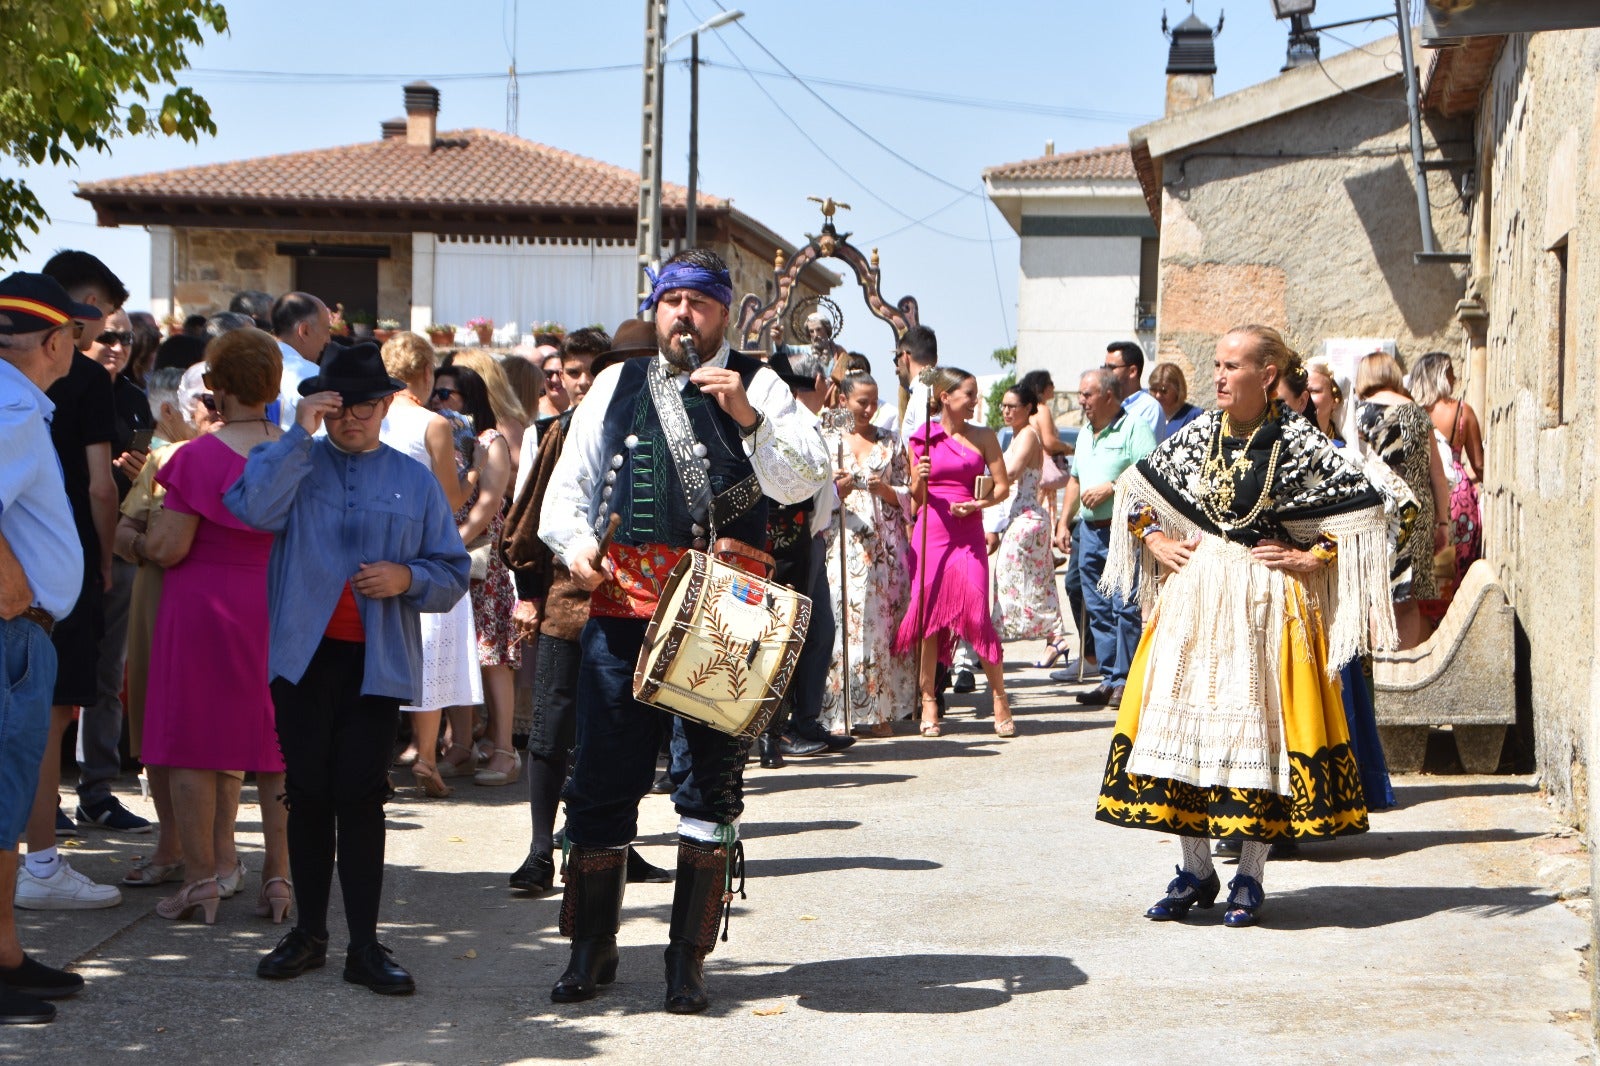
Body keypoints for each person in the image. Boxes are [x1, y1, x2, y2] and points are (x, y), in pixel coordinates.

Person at [538, 247, 828, 1013]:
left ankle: (685, 963)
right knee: (599, 784)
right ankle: (590, 949)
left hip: (722, 620)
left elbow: (806, 476)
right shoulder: (616, 380)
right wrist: (577, 547)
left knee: (708, 788)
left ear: (724, 311)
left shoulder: (761, 382)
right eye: (671, 302)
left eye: (698, 304)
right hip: (623, 610)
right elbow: (565, 494)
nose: (683, 317)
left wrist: (749, 416)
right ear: (656, 307)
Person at [1095, 324, 1394, 926]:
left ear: (1266, 375)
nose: (1220, 376)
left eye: (1233, 367)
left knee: (1255, 733)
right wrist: (1152, 539)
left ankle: (1250, 876)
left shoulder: (1299, 441)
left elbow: (1372, 507)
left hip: (1264, 604)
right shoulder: (1199, 432)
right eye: (1217, 365)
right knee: (1184, 730)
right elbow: (1135, 492)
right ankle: (1196, 869)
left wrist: (1316, 558)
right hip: (1197, 598)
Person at [226, 341, 469, 995]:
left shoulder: (413, 479)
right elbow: (250, 508)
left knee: (361, 799)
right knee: (306, 795)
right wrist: (298, 433)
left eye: (364, 404)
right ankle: (309, 933)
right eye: (336, 404)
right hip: (302, 659)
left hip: (376, 662)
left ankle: (364, 944)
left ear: (388, 403)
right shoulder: (292, 460)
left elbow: (452, 574)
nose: (350, 416)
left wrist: (406, 576)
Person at [503, 319, 669, 894]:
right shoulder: (556, 433)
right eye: (575, 373)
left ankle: (617, 842)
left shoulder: (673, 427)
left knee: (627, 731)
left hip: (639, 604)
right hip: (568, 603)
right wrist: (528, 594)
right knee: (551, 730)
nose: (582, 382)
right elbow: (529, 521)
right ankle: (540, 850)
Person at [138, 328, 291, 926]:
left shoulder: (196, 457)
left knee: (192, 747)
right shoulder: (297, 452)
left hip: (203, 606)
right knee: (278, 748)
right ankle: (279, 878)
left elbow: (170, 547)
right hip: (276, 603)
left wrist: (133, 541)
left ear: (216, 387)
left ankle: (202, 881)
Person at [0, 272, 99, 1023]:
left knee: (5, 807)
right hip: (12, 630)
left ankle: (4, 954)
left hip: (24, 631)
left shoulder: (17, 401)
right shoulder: (9, 404)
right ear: (57, 340)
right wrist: (13, 584)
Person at [18, 251, 125, 912]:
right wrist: (107, 561)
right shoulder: (82, 381)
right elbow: (100, 486)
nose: (96, 335)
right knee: (50, 715)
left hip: (31, 563)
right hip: (59, 566)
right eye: (96, 317)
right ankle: (42, 860)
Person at [111, 366, 209, 888]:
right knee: (159, 722)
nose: (216, 410)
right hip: (160, 595)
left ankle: (213, 855)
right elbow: (124, 531)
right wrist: (152, 545)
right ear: (174, 409)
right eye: (206, 401)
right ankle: (175, 845)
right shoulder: (165, 458)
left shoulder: (262, 452)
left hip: (216, 601)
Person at [378, 333, 481, 798]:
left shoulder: (370, 418)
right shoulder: (431, 424)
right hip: (424, 546)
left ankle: (377, 759)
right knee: (431, 653)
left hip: (379, 545)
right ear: (424, 372)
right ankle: (425, 756)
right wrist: (474, 477)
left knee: (381, 650)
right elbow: (448, 498)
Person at [894, 367, 1014, 738]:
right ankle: (929, 699)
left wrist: (978, 505)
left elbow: (1003, 487)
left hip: (968, 533)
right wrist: (920, 478)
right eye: (968, 393)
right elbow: (915, 497)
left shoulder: (985, 436)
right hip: (932, 532)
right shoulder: (922, 439)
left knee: (977, 613)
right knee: (929, 618)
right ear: (945, 397)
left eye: (975, 393)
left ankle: (999, 696)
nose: (975, 400)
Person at [76, 308, 156, 837]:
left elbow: (144, 476)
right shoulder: (58, 390)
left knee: (107, 675)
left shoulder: (132, 398)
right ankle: (38, 799)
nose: (116, 346)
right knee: (50, 681)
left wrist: (140, 469)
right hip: (63, 550)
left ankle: (97, 791)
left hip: (118, 551)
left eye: (126, 338)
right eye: (107, 336)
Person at [430, 361, 521, 786]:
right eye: (434, 393)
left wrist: (451, 542)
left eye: (446, 394)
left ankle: (504, 748)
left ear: (470, 397)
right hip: (452, 560)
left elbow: (488, 505)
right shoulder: (442, 438)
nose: (437, 400)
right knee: (454, 653)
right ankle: (461, 744)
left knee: (492, 658)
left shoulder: (490, 440)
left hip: (483, 562)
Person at [1054, 368, 1156, 710]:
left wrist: (1112, 487)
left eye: (1087, 395)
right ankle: (1110, 676)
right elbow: (1074, 479)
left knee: (1124, 606)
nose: (1081, 401)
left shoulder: (1134, 429)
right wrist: (1063, 523)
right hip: (1089, 529)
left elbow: (1151, 474)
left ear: (1109, 396)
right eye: (1082, 394)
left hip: (1122, 529)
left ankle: (1126, 680)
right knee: (1096, 605)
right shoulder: (1085, 433)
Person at [820, 373, 913, 737]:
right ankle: (837, 713)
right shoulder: (827, 442)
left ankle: (877, 712)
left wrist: (886, 489)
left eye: (874, 401)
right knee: (838, 626)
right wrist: (833, 488)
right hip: (837, 545)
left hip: (879, 550)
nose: (870, 408)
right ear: (844, 401)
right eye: (862, 401)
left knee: (874, 628)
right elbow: (810, 494)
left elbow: (910, 493)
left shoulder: (890, 441)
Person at [1355, 351, 1450, 649]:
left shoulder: (1363, 413)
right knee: (1408, 598)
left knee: (1378, 594)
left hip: (1381, 512)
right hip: (1418, 512)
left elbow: (1356, 467)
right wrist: (1443, 521)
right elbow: (1438, 474)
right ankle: (1403, 658)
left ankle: (1382, 662)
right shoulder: (1418, 413)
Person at [991, 384, 1071, 666]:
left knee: (1009, 575)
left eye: (1013, 406)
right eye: (1004, 405)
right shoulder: (1018, 435)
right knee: (1040, 578)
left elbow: (1010, 473)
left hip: (1027, 516)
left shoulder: (1027, 435)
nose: (1006, 411)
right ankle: (1055, 638)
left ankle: (996, 639)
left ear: (1028, 408)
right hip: (1023, 515)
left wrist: (981, 487)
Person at [1412, 351, 1484, 581]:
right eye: (1451, 372)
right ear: (1441, 375)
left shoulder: (1412, 413)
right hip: (1457, 496)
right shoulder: (1462, 411)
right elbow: (1479, 465)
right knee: (1458, 572)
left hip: (1423, 492)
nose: (1454, 379)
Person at [270, 292, 332, 431]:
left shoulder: (249, 365)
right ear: (304, 331)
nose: (328, 340)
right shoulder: (310, 376)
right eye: (326, 330)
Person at [1105, 341, 1161, 433]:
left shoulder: (1150, 409)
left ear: (1132, 371)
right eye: (1104, 367)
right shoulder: (1106, 403)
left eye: (1111, 368)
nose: (1106, 373)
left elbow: (1146, 446)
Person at [1148, 362, 1203, 442]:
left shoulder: (1195, 416)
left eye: (1164, 391)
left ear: (1178, 389)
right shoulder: (1149, 415)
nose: (1158, 395)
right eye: (1154, 390)